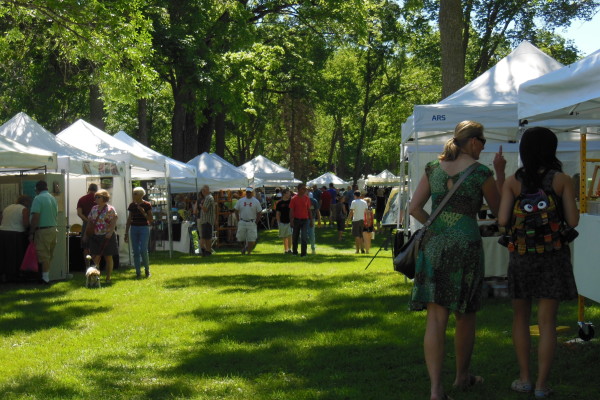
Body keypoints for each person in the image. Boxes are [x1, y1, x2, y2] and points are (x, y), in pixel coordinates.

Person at [408, 120, 505, 400]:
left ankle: (436, 390)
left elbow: (415, 208)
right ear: (473, 141)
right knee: (465, 314)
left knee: (436, 319)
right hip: (466, 245)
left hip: (435, 245)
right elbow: (500, 212)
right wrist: (500, 173)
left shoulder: (433, 169)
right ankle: (462, 377)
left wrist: (436, 227)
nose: (484, 147)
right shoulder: (481, 172)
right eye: (483, 141)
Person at [497, 127, 578, 399]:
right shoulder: (562, 180)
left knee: (520, 317)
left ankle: (524, 378)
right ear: (551, 149)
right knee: (547, 322)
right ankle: (543, 385)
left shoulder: (512, 182)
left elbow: (502, 220)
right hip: (553, 256)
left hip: (521, 255)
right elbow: (574, 221)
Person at [28, 181, 58, 284]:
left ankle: (45, 279)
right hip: (53, 229)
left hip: (42, 230)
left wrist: (31, 232)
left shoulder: (38, 198)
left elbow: (36, 216)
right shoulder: (52, 198)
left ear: (37, 189)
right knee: (49, 255)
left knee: (43, 255)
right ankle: (46, 276)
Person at [85, 189, 118, 283]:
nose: (96, 198)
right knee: (95, 258)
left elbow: (114, 221)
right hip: (95, 236)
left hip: (107, 236)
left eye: (98, 197)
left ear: (104, 198)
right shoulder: (94, 208)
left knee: (108, 257)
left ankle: (108, 277)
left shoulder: (110, 209)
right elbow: (89, 221)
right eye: (95, 197)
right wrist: (85, 234)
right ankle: (95, 278)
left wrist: (110, 232)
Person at [124, 187, 153, 278]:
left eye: (135, 193)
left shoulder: (147, 204)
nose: (133, 195)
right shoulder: (132, 205)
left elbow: (150, 219)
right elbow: (129, 219)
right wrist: (126, 232)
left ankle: (147, 270)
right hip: (134, 228)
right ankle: (138, 272)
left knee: (143, 250)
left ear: (141, 195)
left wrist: (143, 212)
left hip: (144, 228)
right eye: (133, 193)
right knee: (135, 251)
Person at [234, 187, 262, 255]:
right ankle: (243, 248)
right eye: (247, 192)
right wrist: (238, 220)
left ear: (252, 193)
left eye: (249, 192)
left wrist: (256, 222)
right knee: (240, 238)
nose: (248, 193)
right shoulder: (240, 201)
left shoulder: (256, 201)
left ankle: (249, 252)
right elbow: (236, 210)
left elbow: (259, 212)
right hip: (242, 221)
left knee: (251, 238)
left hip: (251, 221)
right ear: (245, 192)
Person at [76, 183, 98, 267]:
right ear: (96, 190)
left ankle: (87, 266)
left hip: (86, 225)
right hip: (97, 224)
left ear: (88, 189)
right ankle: (95, 266)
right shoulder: (99, 199)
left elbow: (79, 213)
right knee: (96, 246)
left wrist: (87, 220)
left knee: (86, 247)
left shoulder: (82, 199)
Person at [290, 183, 313, 257]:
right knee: (295, 237)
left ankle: (303, 253)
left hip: (305, 220)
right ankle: (295, 252)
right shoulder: (294, 199)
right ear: (298, 189)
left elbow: (309, 210)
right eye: (303, 189)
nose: (304, 190)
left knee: (304, 237)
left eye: (305, 189)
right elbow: (291, 210)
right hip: (296, 220)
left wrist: (311, 220)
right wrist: (291, 220)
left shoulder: (307, 198)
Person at [197, 185, 216, 256]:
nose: (202, 192)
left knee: (206, 237)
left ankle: (206, 251)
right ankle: (207, 251)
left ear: (206, 190)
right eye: (202, 191)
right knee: (206, 237)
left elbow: (205, 209)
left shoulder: (208, 198)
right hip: (205, 221)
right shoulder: (208, 197)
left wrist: (201, 205)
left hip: (207, 220)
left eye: (203, 190)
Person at [275, 188, 292, 254]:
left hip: (290, 221)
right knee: (284, 236)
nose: (289, 194)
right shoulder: (279, 203)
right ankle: (286, 249)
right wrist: (279, 222)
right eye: (288, 193)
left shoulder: (291, 201)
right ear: (284, 194)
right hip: (282, 221)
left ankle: (290, 249)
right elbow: (278, 213)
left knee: (290, 235)